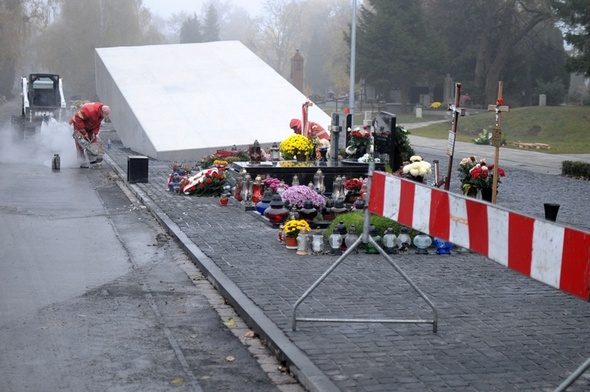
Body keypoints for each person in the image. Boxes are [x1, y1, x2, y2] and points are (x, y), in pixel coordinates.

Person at [70, 102, 110, 168]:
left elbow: (98, 124)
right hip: (78, 124)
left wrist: (95, 133)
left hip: (89, 125)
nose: (104, 117)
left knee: (93, 140)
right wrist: (83, 131)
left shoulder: (100, 114)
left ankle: (93, 159)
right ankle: (82, 161)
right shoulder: (90, 110)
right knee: (81, 142)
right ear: (101, 111)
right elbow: (78, 117)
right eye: (105, 114)